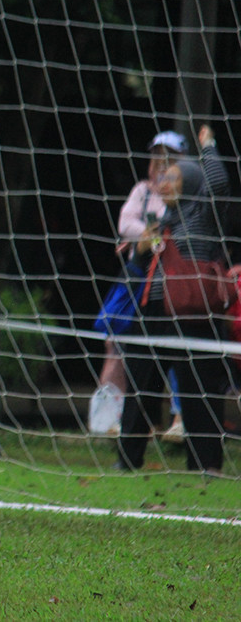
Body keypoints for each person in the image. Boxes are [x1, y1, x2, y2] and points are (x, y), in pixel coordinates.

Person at [115, 125, 231, 474]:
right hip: (153, 314)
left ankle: (205, 467)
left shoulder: (203, 215)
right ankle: (127, 462)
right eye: (162, 177)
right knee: (140, 389)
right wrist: (140, 250)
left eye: (174, 177)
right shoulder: (162, 221)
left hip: (194, 318)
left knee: (199, 394)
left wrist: (208, 145)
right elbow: (139, 267)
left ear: (192, 183)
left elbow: (220, 182)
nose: (163, 182)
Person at [92, 131, 187, 438]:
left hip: (171, 282)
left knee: (176, 348)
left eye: (168, 158)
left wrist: (155, 235)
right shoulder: (142, 191)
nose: (160, 165)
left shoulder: (189, 196)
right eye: (156, 157)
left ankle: (179, 419)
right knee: (116, 343)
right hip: (137, 277)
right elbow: (125, 224)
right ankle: (110, 417)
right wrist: (150, 235)